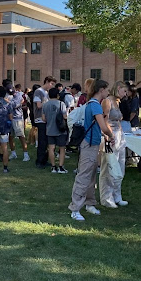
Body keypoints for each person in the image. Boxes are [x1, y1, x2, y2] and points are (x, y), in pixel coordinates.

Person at [68, 79, 115, 221]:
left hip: (92, 144)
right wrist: (111, 135)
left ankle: (89, 203)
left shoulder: (93, 104)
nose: (108, 92)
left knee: (91, 175)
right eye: (107, 90)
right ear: (101, 90)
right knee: (84, 176)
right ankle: (75, 208)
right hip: (89, 145)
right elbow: (103, 126)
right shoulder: (95, 106)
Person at [100, 81, 128, 208]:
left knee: (120, 166)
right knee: (109, 166)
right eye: (124, 91)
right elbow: (104, 120)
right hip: (109, 136)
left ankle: (117, 195)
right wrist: (108, 136)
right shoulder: (107, 101)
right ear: (118, 88)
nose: (125, 94)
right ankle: (107, 197)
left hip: (119, 135)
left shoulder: (117, 102)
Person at [42, 87, 68, 173]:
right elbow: (64, 116)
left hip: (49, 129)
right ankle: (60, 166)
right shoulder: (61, 104)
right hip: (60, 129)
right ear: (57, 95)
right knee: (62, 148)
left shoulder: (45, 105)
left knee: (51, 148)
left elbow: (44, 119)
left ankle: (53, 166)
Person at [33, 76, 57, 168]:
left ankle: (44, 159)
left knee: (47, 141)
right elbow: (38, 105)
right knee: (42, 140)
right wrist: (49, 102)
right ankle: (39, 161)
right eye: (51, 84)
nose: (51, 86)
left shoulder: (46, 92)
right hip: (40, 119)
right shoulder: (38, 91)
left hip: (46, 119)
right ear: (46, 82)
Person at [9, 83, 30, 162]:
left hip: (18, 118)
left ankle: (26, 154)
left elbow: (15, 105)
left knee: (21, 136)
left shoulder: (19, 95)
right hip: (10, 118)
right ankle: (13, 153)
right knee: (10, 137)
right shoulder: (7, 96)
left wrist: (9, 102)